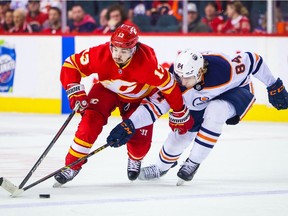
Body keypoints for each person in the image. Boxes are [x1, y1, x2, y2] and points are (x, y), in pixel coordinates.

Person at [53, 24, 193, 186]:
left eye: (124, 51)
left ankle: (135, 158)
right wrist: (74, 90)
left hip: (137, 99)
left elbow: (169, 87)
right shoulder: (100, 53)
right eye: (115, 48)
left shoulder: (147, 64)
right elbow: (71, 64)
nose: (117, 55)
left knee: (140, 144)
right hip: (106, 90)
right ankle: (72, 165)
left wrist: (179, 112)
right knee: (89, 123)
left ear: (133, 50)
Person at [138, 49, 288, 185]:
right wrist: (131, 124)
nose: (182, 82)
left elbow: (254, 60)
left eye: (187, 77)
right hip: (199, 99)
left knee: (216, 110)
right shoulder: (176, 79)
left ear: (199, 72)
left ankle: (193, 162)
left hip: (234, 91)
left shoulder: (224, 69)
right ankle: (161, 167)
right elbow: (156, 104)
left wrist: (273, 85)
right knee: (181, 135)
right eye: (179, 77)